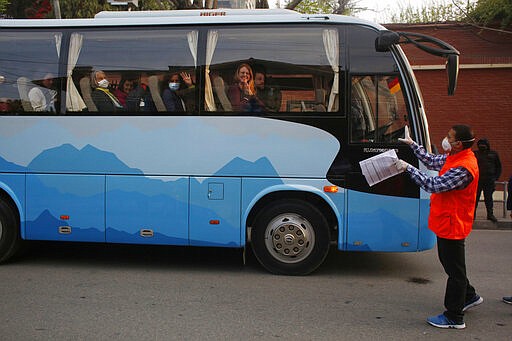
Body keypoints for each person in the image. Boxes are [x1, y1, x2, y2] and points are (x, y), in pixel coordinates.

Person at [395, 124, 483, 329]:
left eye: (450, 137)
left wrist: (408, 168)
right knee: (451, 265)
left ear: (459, 143)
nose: (446, 139)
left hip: (454, 223)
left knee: (455, 272)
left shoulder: (464, 167)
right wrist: (413, 145)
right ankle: (469, 296)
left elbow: (434, 185)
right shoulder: (456, 157)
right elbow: (433, 161)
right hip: (447, 221)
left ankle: (454, 316)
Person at [473, 138, 502, 223]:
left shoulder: (493, 154)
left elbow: (498, 166)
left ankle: (490, 214)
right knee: (475, 198)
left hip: (489, 180)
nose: (482, 146)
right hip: (477, 180)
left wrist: (496, 177)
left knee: (488, 198)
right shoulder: (475, 154)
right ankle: (472, 215)